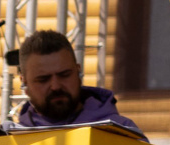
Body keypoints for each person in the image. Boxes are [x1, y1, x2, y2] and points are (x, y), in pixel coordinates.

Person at [10, 30, 140, 134]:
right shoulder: (11, 141)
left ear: (78, 72)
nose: (55, 86)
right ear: (24, 82)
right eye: (43, 79)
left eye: (64, 75)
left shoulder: (123, 133)